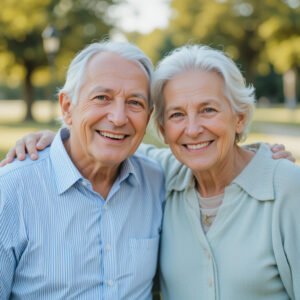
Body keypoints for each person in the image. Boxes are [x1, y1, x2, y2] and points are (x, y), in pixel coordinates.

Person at [1, 45, 297, 299]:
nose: (118, 118)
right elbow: (101, 143)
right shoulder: (13, 190)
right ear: (164, 129)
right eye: (177, 114)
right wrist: (59, 139)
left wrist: (266, 161)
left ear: (240, 117)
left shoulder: (283, 188)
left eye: (208, 109)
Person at [0, 41, 165, 299]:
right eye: (102, 98)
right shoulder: (11, 190)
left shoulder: (157, 181)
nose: (119, 118)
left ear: (148, 116)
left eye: (135, 103)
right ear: (67, 107)